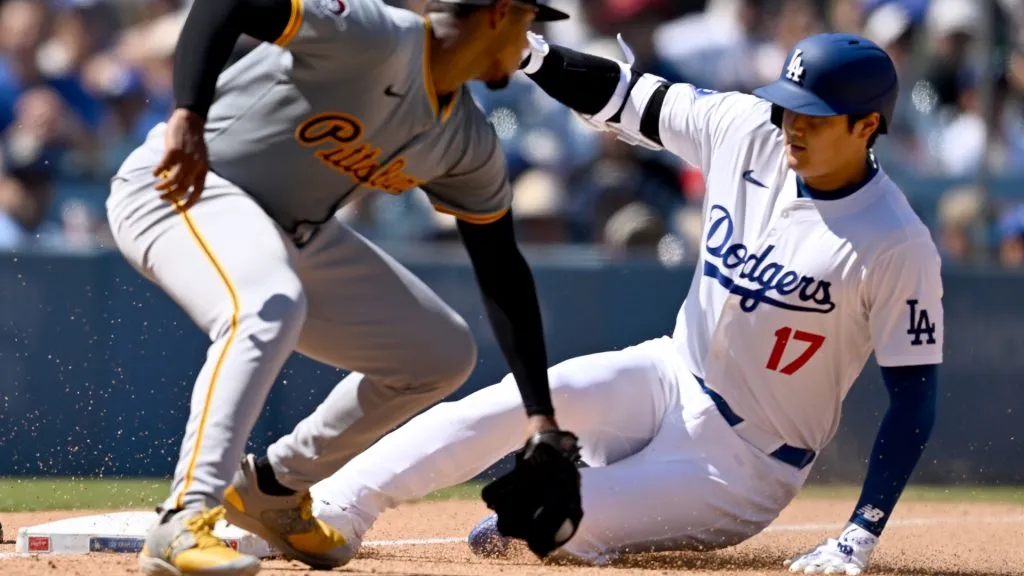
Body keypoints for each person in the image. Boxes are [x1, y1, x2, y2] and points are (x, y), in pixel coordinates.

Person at [308, 32, 944, 575]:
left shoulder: (896, 243)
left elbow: (914, 397)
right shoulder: (748, 128)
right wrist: (529, 54)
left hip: (746, 463)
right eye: (788, 105)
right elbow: (624, 94)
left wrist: (861, 533)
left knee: (539, 526)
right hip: (669, 374)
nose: (793, 124)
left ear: (868, 126)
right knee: (506, 403)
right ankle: (335, 504)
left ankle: (570, 514)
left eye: (817, 114)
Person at [104, 0, 584, 574]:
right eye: (530, 23)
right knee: (266, 305)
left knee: (439, 355)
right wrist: (187, 111)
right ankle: (184, 517)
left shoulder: (465, 139)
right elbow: (224, 4)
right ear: (502, 13)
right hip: (188, 181)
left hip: (295, 230)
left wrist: (541, 419)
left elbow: (501, 267)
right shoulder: (376, 35)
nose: (531, 39)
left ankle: (274, 488)